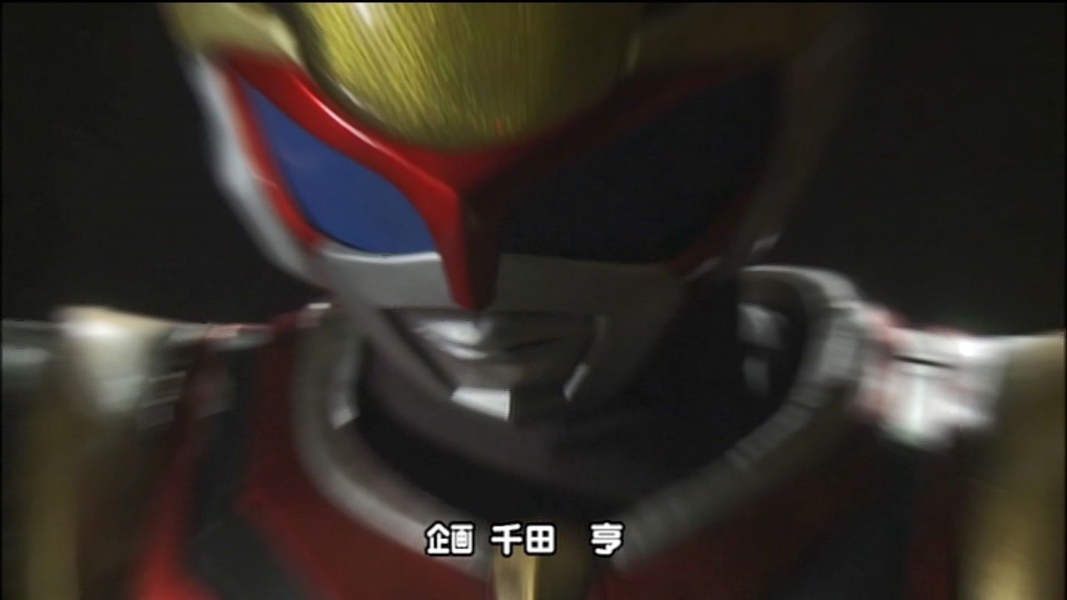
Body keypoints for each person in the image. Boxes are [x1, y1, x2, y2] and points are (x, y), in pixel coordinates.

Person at [9, 4, 1063, 600]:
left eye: (599, 190)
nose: (471, 291)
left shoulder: (999, 481)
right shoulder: (97, 458)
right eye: (364, 196)